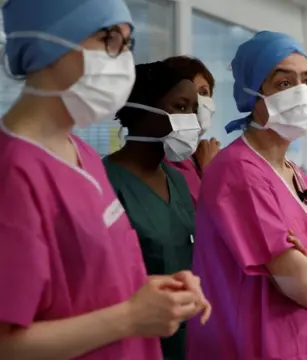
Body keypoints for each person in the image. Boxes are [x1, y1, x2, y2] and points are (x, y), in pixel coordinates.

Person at [0, 1, 209, 359]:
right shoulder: (13, 172)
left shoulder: (80, 154)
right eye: (109, 39)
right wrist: (130, 317)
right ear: (48, 43)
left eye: (127, 43)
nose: (123, 58)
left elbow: (92, 283)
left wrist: (156, 292)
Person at [186, 31, 307, 360]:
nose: (302, 93)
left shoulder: (300, 178)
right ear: (253, 93)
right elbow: (306, 286)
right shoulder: (238, 172)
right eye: (284, 83)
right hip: (254, 345)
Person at [104, 61, 201, 360]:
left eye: (194, 109)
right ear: (144, 109)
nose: (191, 120)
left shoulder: (176, 179)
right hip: (133, 338)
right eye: (180, 107)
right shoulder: (105, 181)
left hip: (188, 337)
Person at [162, 56, 220, 203]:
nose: (197, 100)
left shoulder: (197, 155)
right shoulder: (160, 160)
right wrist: (210, 172)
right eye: (188, 91)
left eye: (203, 92)